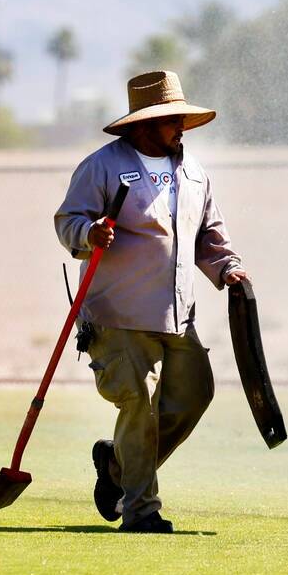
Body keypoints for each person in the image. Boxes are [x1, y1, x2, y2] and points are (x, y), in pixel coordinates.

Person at [54, 70, 248, 533]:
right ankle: (142, 512)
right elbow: (68, 221)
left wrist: (228, 268)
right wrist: (90, 232)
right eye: (170, 118)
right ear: (143, 123)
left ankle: (117, 467)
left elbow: (208, 236)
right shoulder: (100, 166)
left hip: (178, 313)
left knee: (195, 392)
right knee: (137, 403)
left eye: (180, 117)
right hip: (116, 313)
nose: (179, 126)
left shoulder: (195, 172)